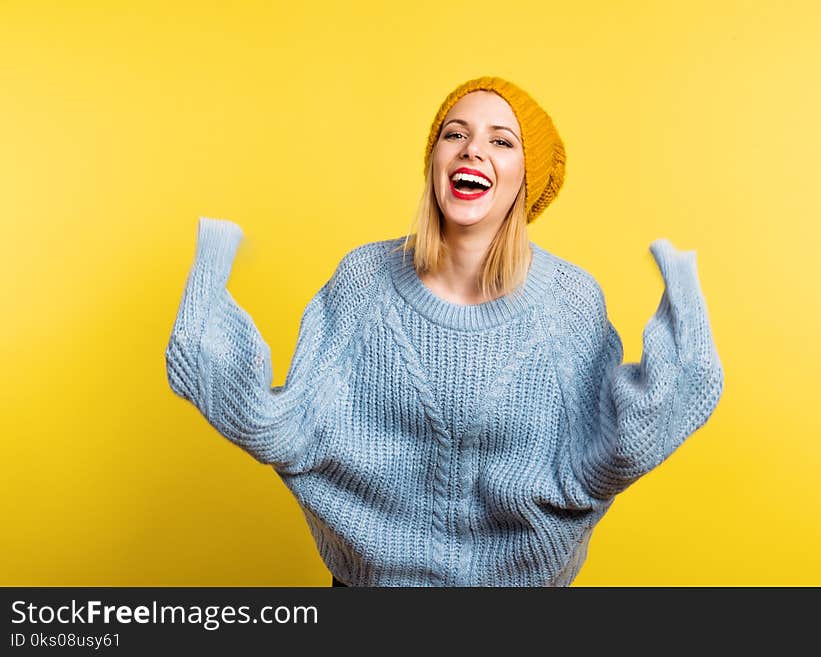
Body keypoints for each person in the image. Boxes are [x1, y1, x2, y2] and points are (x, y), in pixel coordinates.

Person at [165, 76, 724, 587]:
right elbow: (290, 428)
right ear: (434, 159)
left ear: (527, 178)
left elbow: (612, 452)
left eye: (502, 141)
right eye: (455, 134)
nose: (472, 149)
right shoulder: (365, 282)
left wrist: (683, 288)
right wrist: (210, 277)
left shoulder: (569, 304)